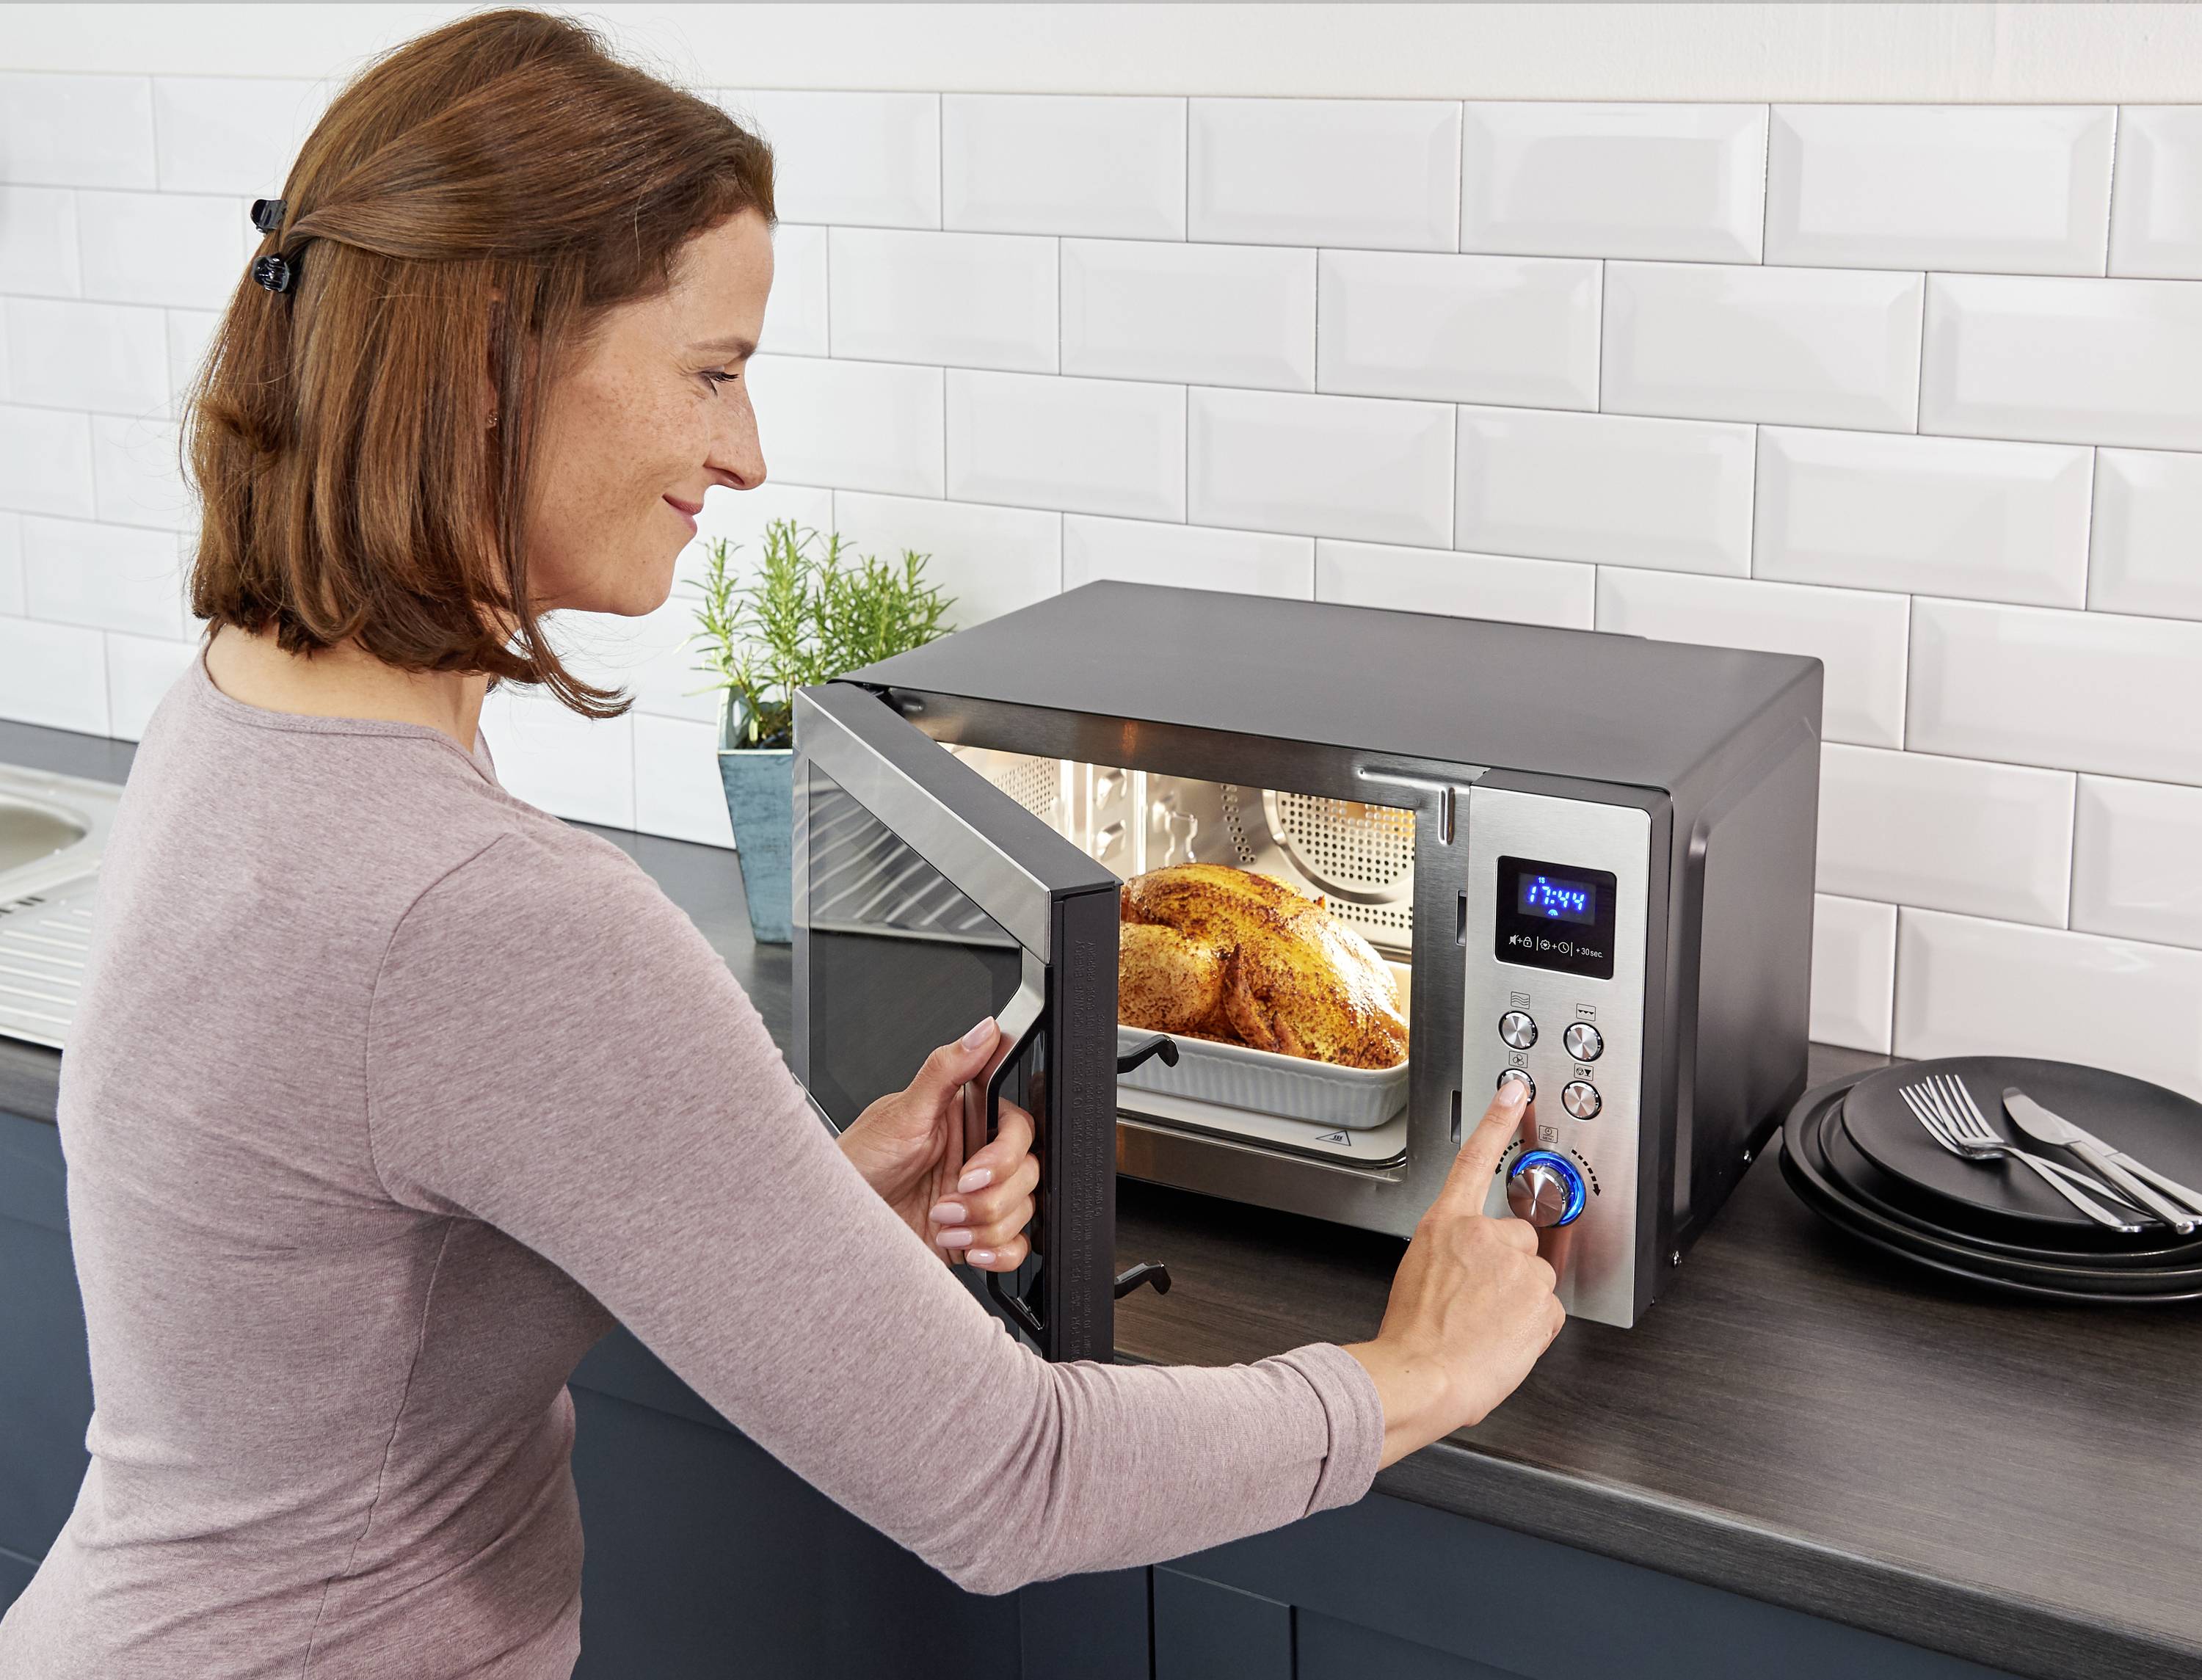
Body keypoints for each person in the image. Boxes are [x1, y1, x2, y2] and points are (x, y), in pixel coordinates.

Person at [0, 11, 1563, 1676]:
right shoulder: (488, 911)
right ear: (492, 359)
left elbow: (400, 1265)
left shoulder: (236, 712)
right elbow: (1016, 1477)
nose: (746, 455)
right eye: (713, 371)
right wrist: (1414, 1371)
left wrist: (799, 1209)